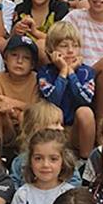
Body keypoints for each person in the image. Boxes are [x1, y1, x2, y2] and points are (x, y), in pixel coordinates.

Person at [36, 21, 97, 159]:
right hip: (51, 128)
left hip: (75, 130)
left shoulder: (87, 72)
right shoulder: (45, 72)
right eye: (64, 46)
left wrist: (72, 74)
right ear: (51, 50)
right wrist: (63, 72)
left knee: (85, 112)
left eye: (75, 46)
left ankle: (85, 161)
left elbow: (85, 100)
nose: (70, 51)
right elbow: (53, 101)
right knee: (48, 112)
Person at [11, 0, 70, 64]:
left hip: (55, 62)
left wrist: (35, 32)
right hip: (25, 60)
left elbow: (61, 42)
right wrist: (15, 31)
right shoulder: (20, 9)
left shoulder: (61, 8)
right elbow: (13, 44)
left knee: (42, 45)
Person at [0, 35, 41, 149]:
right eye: (14, 55)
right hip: (6, 123)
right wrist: (11, 110)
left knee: (24, 115)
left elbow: (35, 108)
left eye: (26, 58)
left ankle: (26, 153)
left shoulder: (36, 79)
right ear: (5, 59)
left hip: (27, 126)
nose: (19, 61)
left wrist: (12, 103)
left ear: (32, 64)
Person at [9, 99, 74, 188]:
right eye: (56, 123)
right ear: (38, 129)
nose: (61, 128)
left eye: (61, 124)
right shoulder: (19, 162)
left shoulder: (64, 155)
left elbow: (74, 181)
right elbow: (13, 185)